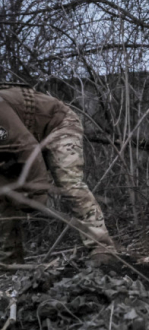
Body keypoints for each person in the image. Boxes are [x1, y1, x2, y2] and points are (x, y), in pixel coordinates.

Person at [0, 83, 116, 266]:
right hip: (26, 138)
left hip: (58, 125)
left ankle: (102, 249)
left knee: (69, 183)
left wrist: (36, 195)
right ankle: (10, 264)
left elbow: (28, 148)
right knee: (4, 197)